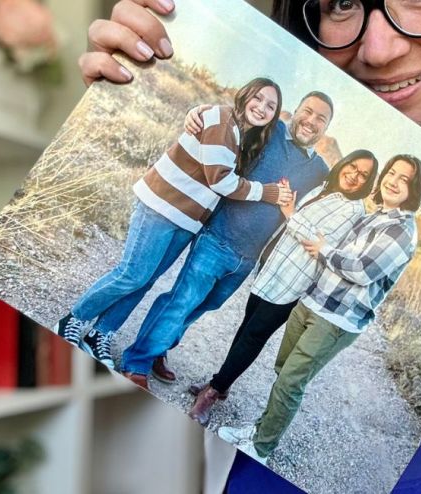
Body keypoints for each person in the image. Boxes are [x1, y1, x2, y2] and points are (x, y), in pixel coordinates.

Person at [79, 0, 421, 492]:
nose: (378, 49)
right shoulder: (299, 154)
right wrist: (146, 74)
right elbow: (234, 135)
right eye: (341, 3)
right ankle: (171, 368)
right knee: (220, 325)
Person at [56, 77, 292, 370]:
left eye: (271, 106)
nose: (262, 108)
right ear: (244, 95)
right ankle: (73, 319)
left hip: (189, 219)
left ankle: (100, 334)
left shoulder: (241, 133)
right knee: (133, 274)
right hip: (161, 205)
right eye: (258, 98)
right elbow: (220, 181)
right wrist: (266, 192)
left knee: (146, 280)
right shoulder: (221, 119)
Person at [218, 154, 421, 465]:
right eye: (392, 173)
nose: (393, 181)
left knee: (291, 381)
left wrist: (324, 249)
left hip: (336, 319)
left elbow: (362, 269)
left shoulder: (401, 230)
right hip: (312, 302)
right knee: (283, 371)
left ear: (414, 189)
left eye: (404, 179)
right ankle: (260, 430)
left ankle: (261, 449)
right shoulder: (375, 217)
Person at [118, 92, 335, 387]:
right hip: (216, 238)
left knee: (202, 306)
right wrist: (198, 110)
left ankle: (160, 347)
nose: (311, 121)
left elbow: (349, 188)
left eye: (320, 118)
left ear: (327, 127)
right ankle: (136, 364)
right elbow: (229, 116)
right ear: (295, 110)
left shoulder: (321, 170)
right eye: (307, 111)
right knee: (182, 301)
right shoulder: (270, 130)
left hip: (248, 258)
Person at [188, 149, 380, 425]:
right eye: (353, 167)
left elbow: (320, 243)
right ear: (344, 164)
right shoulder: (323, 189)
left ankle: (212, 393)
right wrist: (290, 203)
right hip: (272, 270)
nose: (355, 175)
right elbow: (304, 224)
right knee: (245, 329)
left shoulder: (353, 210)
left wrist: (290, 214)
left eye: (364, 175)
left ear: (367, 182)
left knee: (254, 336)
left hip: (293, 282)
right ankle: (222, 383)